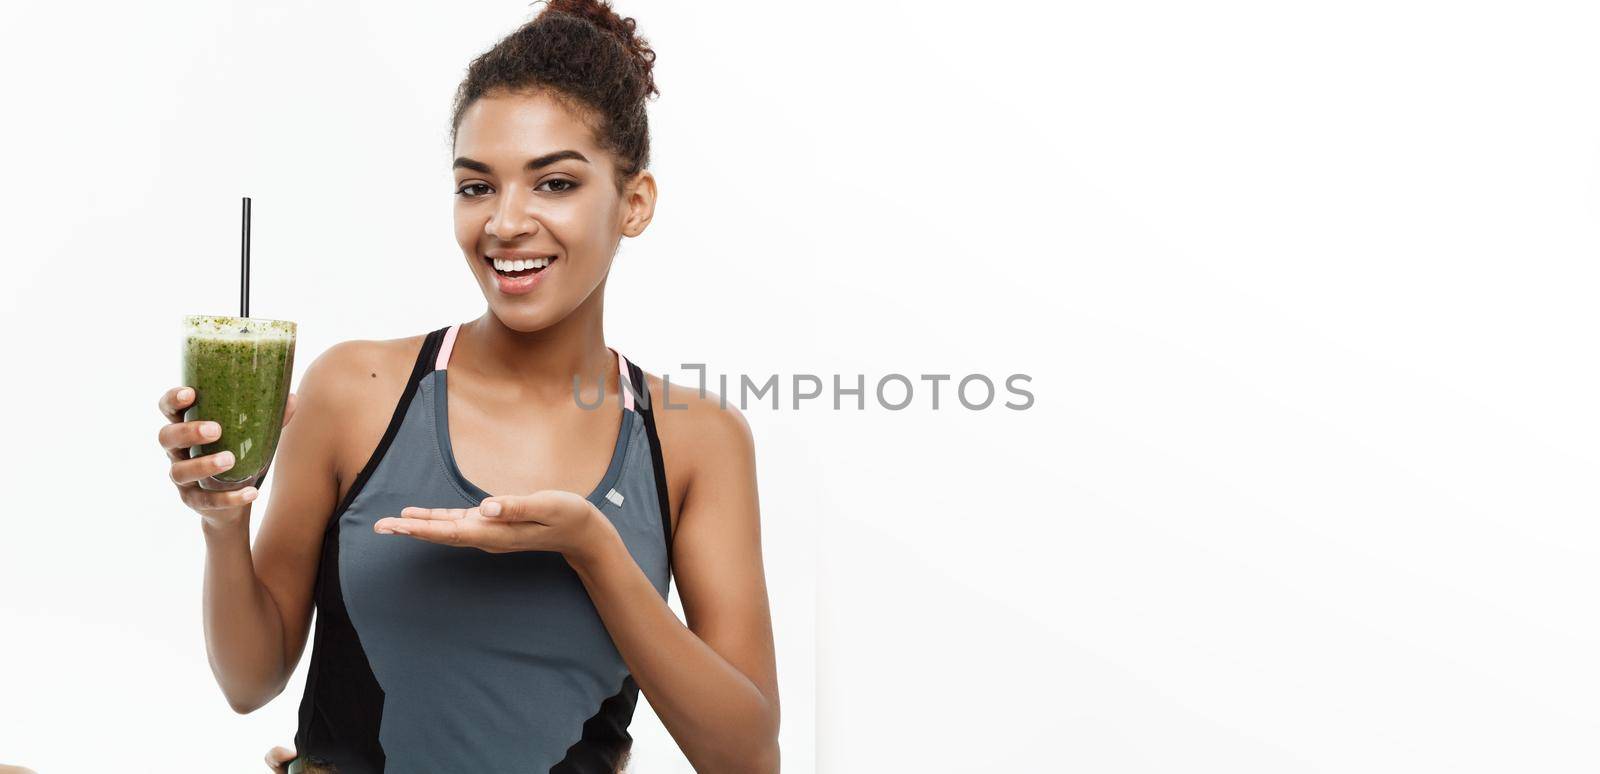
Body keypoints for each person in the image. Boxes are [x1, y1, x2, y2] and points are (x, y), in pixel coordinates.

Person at [155, 2, 780, 771]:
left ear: (635, 203)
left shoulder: (693, 439)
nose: (505, 222)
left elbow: (748, 758)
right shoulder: (355, 391)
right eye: (476, 187)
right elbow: (250, 683)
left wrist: (593, 550)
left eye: (554, 183)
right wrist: (222, 523)